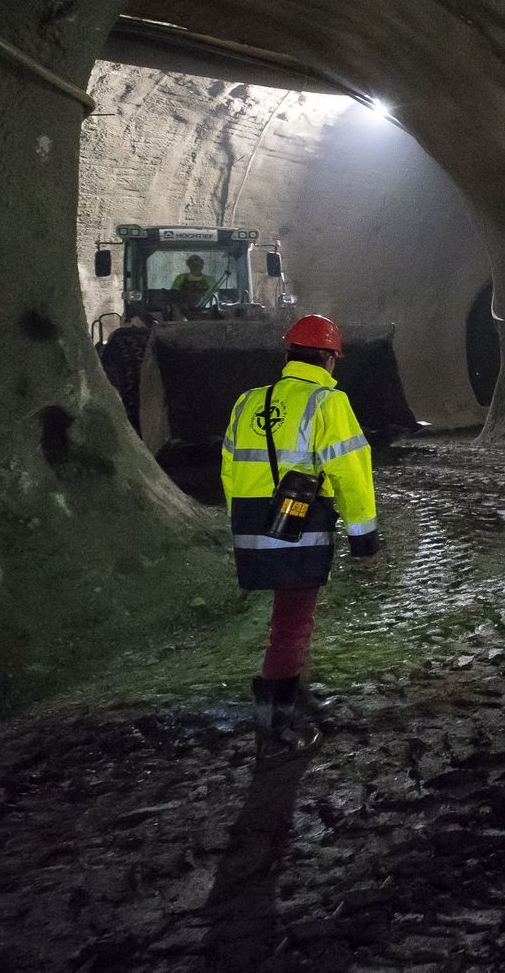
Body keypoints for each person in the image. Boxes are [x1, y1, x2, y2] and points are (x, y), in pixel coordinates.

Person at [220, 313, 382, 762]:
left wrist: (245, 524)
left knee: (289, 618)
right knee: (291, 627)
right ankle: (274, 728)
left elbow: (230, 468)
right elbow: (352, 475)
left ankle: (299, 697)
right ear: (330, 359)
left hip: (255, 527)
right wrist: (363, 539)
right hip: (299, 528)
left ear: (288, 354)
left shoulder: (248, 400)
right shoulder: (328, 403)